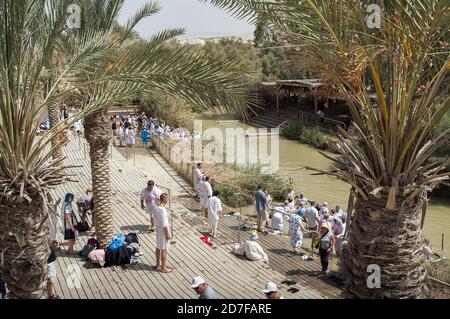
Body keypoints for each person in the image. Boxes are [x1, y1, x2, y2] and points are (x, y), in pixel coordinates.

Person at [153, 193, 173, 273]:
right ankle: (164, 267)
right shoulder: (163, 210)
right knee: (164, 249)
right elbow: (165, 224)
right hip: (163, 230)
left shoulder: (156, 207)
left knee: (158, 247)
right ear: (164, 199)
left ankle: (157, 264)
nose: (168, 200)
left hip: (158, 229)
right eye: (167, 198)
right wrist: (167, 233)